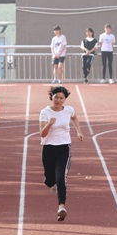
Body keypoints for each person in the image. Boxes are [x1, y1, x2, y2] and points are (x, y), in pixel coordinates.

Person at [39, 86, 83, 221]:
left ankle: (61, 206)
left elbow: (74, 118)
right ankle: (52, 184)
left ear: (65, 99)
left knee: (61, 178)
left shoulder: (69, 110)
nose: (58, 100)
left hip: (64, 147)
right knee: (49, 179)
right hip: (48, 148)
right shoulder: (45, 112)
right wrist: (50, 124)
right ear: (51, 96)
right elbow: (42, 133)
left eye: (61, 98)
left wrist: (78, 131)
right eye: (56, 97)